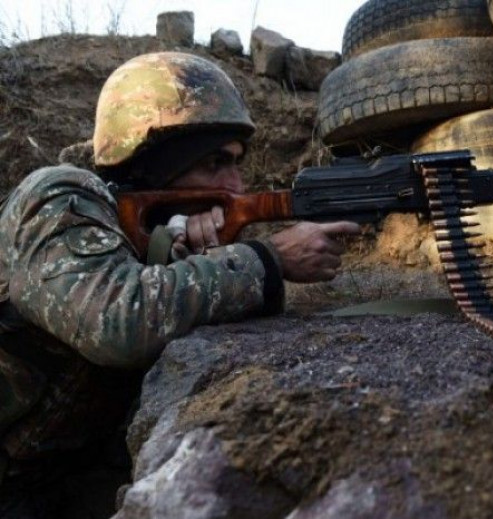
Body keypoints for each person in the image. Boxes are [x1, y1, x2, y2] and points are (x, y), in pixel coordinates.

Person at [0, 51, 359, 514]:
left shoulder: (141, 234)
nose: (236, 185)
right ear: (154, 163)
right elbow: (119, 321)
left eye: (236, 163)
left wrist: (179, 256)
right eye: (215, 163)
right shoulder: (55, 197)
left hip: (55, 476)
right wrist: (268, 260)